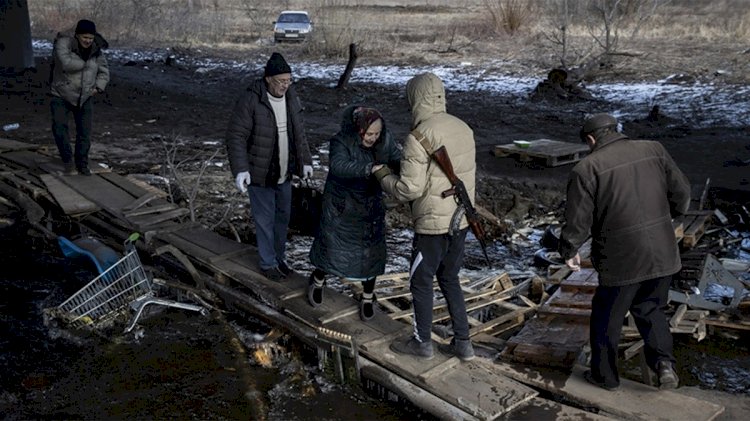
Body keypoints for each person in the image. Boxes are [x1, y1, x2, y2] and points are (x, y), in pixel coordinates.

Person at [558, 113, 691, 391]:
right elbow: (682, 192)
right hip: (663, 252)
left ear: (591, 139)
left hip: (622, 259)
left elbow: (578, 219)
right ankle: (664, 365)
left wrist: (569, 248)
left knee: (607, 316)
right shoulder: (654, 148)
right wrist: (675, 216)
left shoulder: (586, 168)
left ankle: (605, 377)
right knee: (650, 308)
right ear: (615, 130)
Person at [374, 72, 476, 361]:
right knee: (450, 278)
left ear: (415, 99)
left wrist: (382, 175)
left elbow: (409, 189)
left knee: (420, 281)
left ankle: (422, 343)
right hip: (462, 220)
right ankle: (463, 343)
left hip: (433, 224)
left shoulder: (419, 136)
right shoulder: (463, 127)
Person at [307, 106, 402, 321]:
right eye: (369, 134)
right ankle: (319, 278)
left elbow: (396, 158)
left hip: (370, 207)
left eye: (377, 133)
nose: (373, 138)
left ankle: (368, 296)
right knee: (332, 248)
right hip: (342, 206)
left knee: (371, 253)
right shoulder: (341, 141)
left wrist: (409, 167)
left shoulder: (385, 140)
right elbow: (339, 166)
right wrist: (369, 168)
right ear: (359, 130)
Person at [225, 52, 313, 281]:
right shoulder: (251, 99)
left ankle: (279, 259)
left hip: (284, 173)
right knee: (264, 220)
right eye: (281, 81)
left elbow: (299, 134)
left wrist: (305, 161)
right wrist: (241, 169)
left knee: (282, 218)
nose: (286, 85)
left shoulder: (292, 98)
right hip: (260, 171)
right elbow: (236, 135)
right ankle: (267, 263)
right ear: (268, 79)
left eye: (289, 80)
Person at [49, 19, 110, 176]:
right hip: (61, 94)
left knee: (84, 132)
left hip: (85, 96)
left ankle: (82, 164)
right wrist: (88, 64)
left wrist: (98, 87)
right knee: (60, 128)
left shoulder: (96, 51)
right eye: (85, 37)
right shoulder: (63, 44)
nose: (88, 41)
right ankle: (68, 161)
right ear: (77, 36)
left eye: (90, 38)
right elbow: (66, 64)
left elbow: (104, 72)